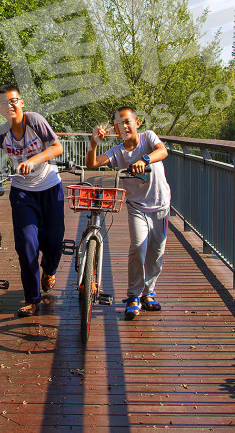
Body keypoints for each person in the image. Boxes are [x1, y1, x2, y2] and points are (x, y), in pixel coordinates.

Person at [0, 84, 65, 318]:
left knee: (54, 241)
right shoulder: (2, 132)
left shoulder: (35, 121)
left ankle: (50, 269)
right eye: (3, 103)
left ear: (21, 102)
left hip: (50, 186)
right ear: (0, 109)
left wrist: (33, 160)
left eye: (13, 101)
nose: (9, 106)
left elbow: (57, 147)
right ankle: (32, 298)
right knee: (26, 246)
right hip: (22, 191)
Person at [85, 107, 170, 321]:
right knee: (138, 249)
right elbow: (92, 164)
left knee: (156, 252)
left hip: (161, 205)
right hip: (137, 207)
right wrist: (94, 143)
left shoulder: (148, 138)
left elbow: (163, 151)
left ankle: (148, 293)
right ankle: (133, 296)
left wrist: (145, 160)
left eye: (127, 122)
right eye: (118, 124)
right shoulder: (117, 151)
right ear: (114, 129)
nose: (124, 127)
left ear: (137, 123)